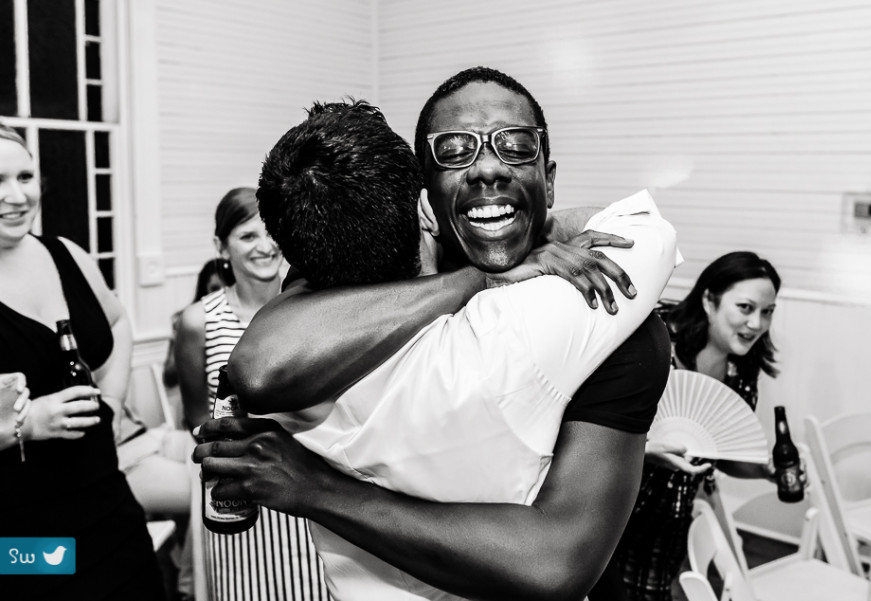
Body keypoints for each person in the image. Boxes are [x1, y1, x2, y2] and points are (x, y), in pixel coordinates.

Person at [199, 68, 678, 600]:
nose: (489, 168)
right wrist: (483, 272)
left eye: (516, 147)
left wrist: (312, 486)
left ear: (550, 174)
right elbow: (258, 367)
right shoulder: (334, 316)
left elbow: (560, 560)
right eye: (455, 151)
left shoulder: (602, 316)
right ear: (424, 198)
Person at [0, 123, 165, 599]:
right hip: (22, 531)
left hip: (108, 506)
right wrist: (26, 425)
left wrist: (111, 401)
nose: (16, 195)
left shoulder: (65, 253)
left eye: (25, 177)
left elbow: (115, 322)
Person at [172, 187, 330, 601]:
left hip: (306, 490)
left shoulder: (314, 307)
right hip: (237, 501)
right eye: (247, 236)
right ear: (221, 247)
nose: (266, 246)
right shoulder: (197, 322)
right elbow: (195, 420)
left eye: (272, 232)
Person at [611, 251, 782, 601]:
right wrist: (644, 452)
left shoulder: (742, 371)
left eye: (768, 312)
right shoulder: (656, 347)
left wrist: (766, 471)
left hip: (670, 520)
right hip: (615, 504)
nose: (757, 324)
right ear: (708, 300)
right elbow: (596, 433)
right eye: (746, 308)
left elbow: (719, 453)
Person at [162, 258, 224, 389]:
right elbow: (169, 378)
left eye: (227, 288)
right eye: (215, 289)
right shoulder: (189, 321)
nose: (221, 295)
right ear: (204, 289)